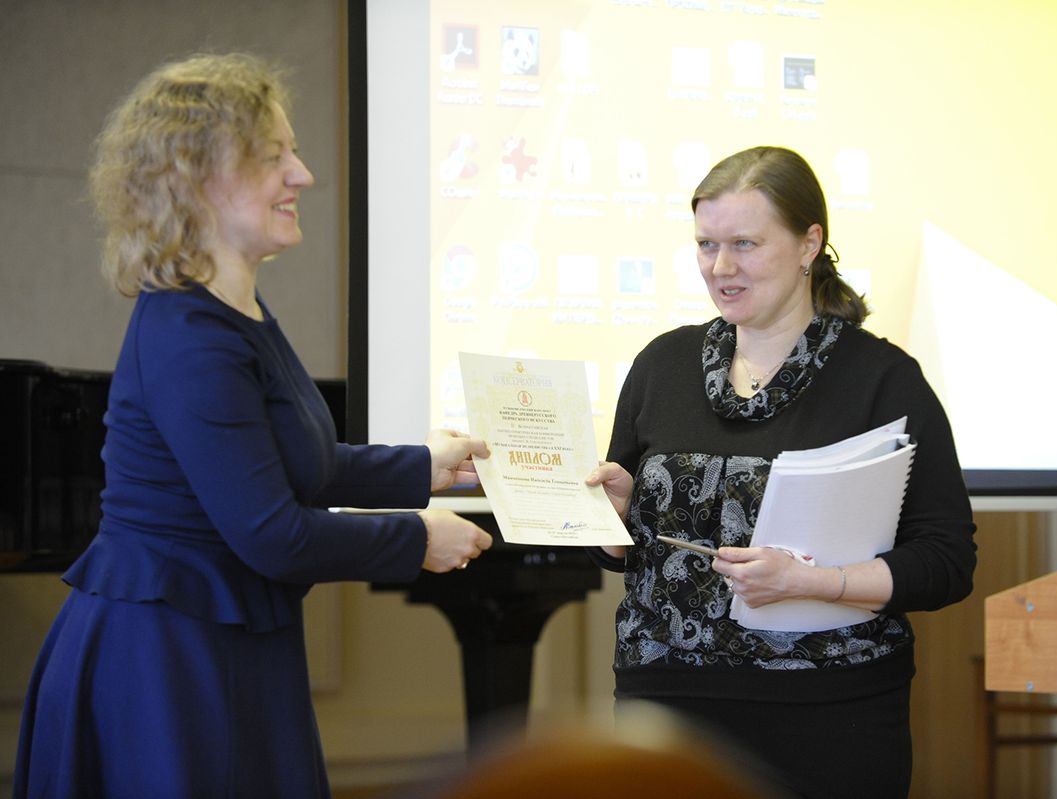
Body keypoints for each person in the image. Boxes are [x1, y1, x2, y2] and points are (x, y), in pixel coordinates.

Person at [13, 52, 493, 798]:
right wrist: (417, 538)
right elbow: (273, 533)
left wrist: (421, 467)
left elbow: (294, 461)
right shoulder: (190, 334)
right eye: (273, 157)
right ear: (196, 178)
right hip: (165, 663)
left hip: (217, 640)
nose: (302, 174)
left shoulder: (236, 310)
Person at [585, 145, 977, 799]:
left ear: (808, 244)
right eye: (707, 244)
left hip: (830, 717)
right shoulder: (661, 365)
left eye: (745, 243)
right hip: (666, 708)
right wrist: (618, 517)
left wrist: (813, 582)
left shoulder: (882, 379)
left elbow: (946, 561)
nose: (721, 267)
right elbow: (624, 557)